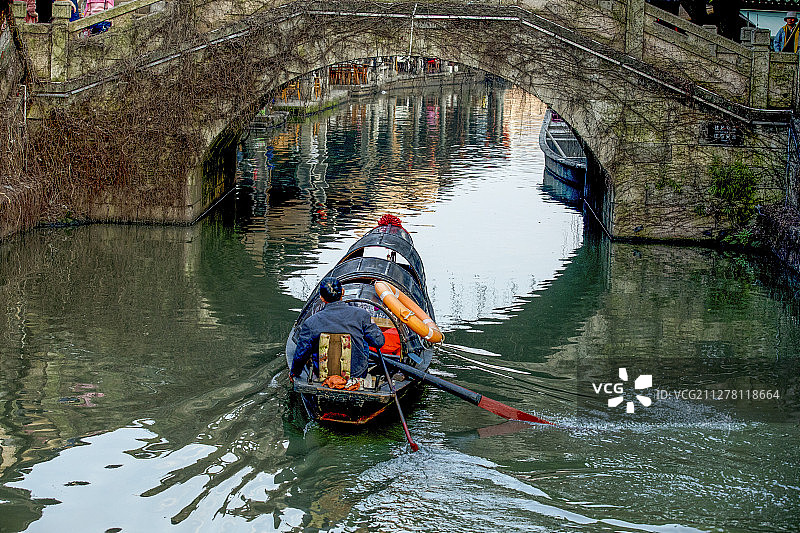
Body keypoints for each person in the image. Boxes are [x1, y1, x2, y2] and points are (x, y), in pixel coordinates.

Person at [290, 277, 385, 382]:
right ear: (343, 292)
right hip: (357, 373)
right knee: (363, 340)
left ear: (321, 298)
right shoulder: (362, 315)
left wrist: (294, 373)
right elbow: (378, 342)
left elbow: (301, 354)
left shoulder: (311, 322)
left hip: (323, 374)